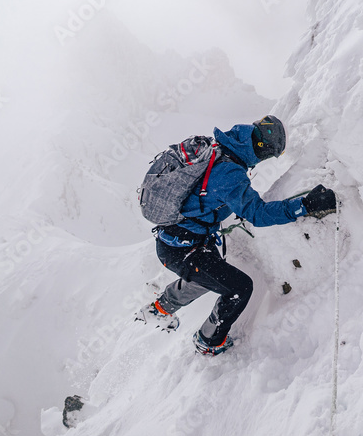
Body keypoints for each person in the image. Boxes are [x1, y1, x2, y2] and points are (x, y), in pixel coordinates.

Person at [136, 115, 337, 355]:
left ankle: (162, 307)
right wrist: (305, 205)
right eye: (268, 155)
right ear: (261, 149)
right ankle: (208, 341)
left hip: (186, 238)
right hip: (181, 248)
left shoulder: (217, 149)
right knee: (238, 288)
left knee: (210, 278)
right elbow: (258, 214)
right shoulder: (230, 173)